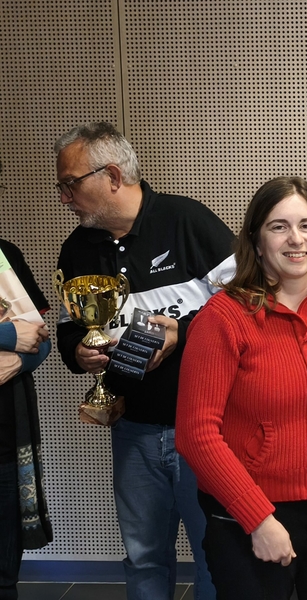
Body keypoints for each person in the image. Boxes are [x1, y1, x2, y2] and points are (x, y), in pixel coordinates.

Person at [175, 176, 307, 600]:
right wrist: (257, 519)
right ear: (256, 241)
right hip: (250, 515)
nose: (296, 239)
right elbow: (196, 434)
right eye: (279, 227)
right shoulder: (222, 318)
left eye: (306, 225)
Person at [54, 122, 235, 600]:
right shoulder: (76, 249)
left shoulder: (186, 220)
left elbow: (249, 303)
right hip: (132, 430)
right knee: (143, 557)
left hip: (206, 428)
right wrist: (78, 351)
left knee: (215, 556)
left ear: (112, 176)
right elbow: (70, 329)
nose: (64, 198)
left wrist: (185, 333)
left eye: (71, 184)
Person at [0, 165, 52, 600]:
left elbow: (41, 339)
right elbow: (16, 334)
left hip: (6, 437)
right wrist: (5, 336)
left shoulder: (5, 254)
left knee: (5, 570)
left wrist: (18, 362)